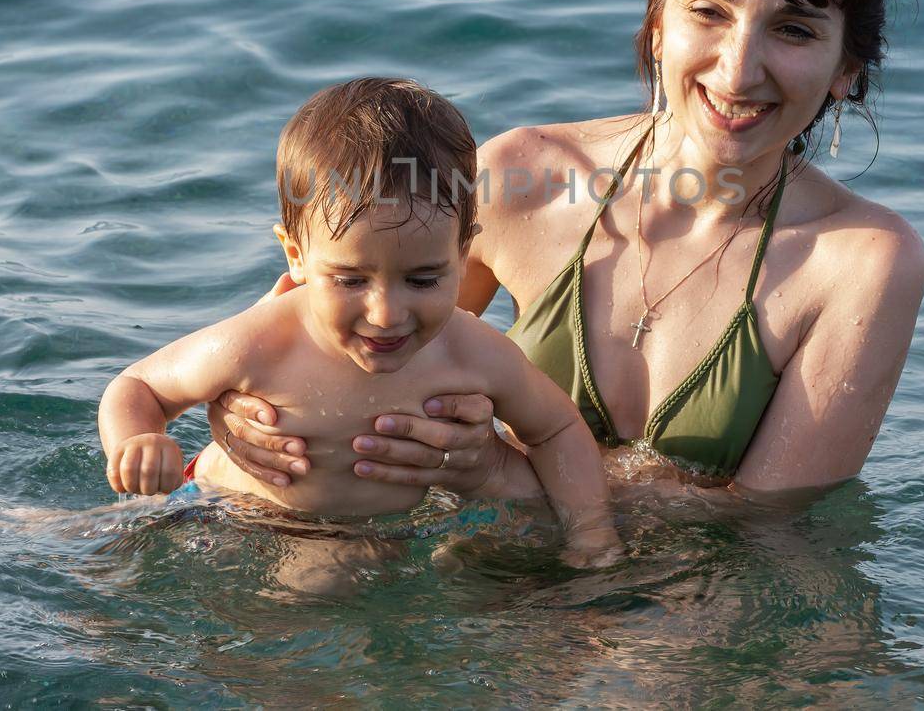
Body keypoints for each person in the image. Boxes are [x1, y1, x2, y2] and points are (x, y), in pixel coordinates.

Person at [208, 0, 924, 503]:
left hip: (679, 612)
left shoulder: (859, 262)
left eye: (794, 30)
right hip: (474, 578)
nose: (738, 70)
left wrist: (498, 471)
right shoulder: (525, 177)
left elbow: (769, 526)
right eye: (708, 12)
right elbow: (352, 349)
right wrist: (250, 413)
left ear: (847, 69)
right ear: (656, 24)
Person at [98, 78, 622, 567]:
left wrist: (592, 536)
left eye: (422, 280)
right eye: (350, 280)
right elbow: (139, 384)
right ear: (296, 254)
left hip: (362, 537)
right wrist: (136, 442)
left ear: (463, 252)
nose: (386, 314)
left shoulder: (475, 353)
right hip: (215, 507)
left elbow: (556, 429)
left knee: (338, 574)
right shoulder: (260, 341)